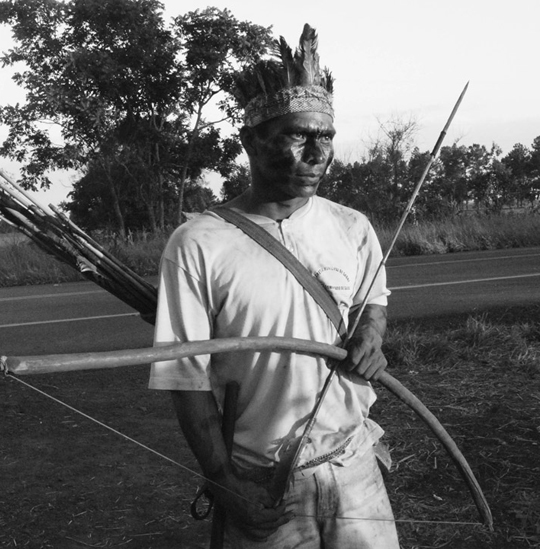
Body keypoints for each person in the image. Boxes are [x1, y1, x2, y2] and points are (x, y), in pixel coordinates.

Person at [149, 23, 400, 548]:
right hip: (261, 478)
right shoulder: (198, 243)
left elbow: (372, 301)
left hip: (353, 461)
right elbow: (184, 376)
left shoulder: (351, 226)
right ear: (250, 140)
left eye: (325, 136)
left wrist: (370, 337)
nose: (316, 153)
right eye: (296, 134)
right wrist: (222, 478)